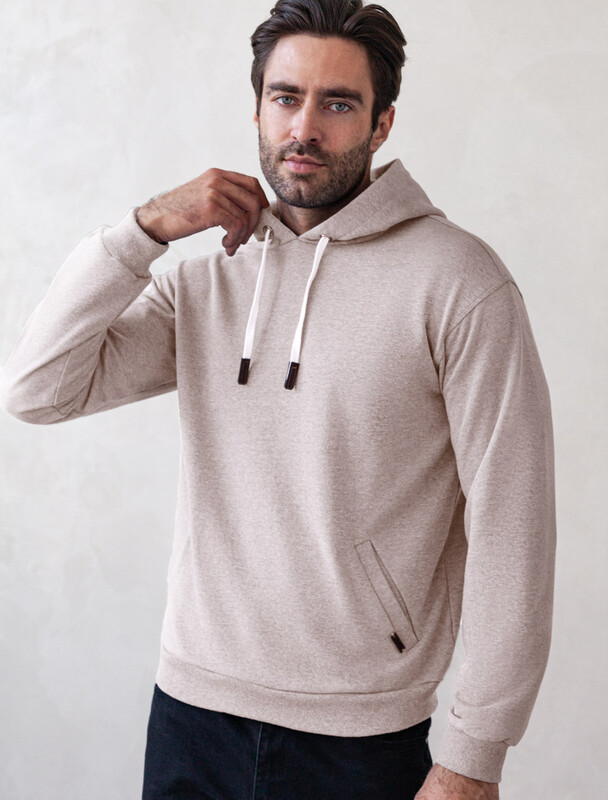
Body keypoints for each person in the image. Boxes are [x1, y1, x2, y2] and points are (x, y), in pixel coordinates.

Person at [0, 1, 556, 798]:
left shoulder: (460, 284)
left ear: (383, 123)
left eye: (339, 104)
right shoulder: (210, 277)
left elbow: (513, 522)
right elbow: (36, 390)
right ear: (257, 108)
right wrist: (144, 230)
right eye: (285, 97)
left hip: (361, 737)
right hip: (191, 715)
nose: (305, 128)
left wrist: (475, 753)